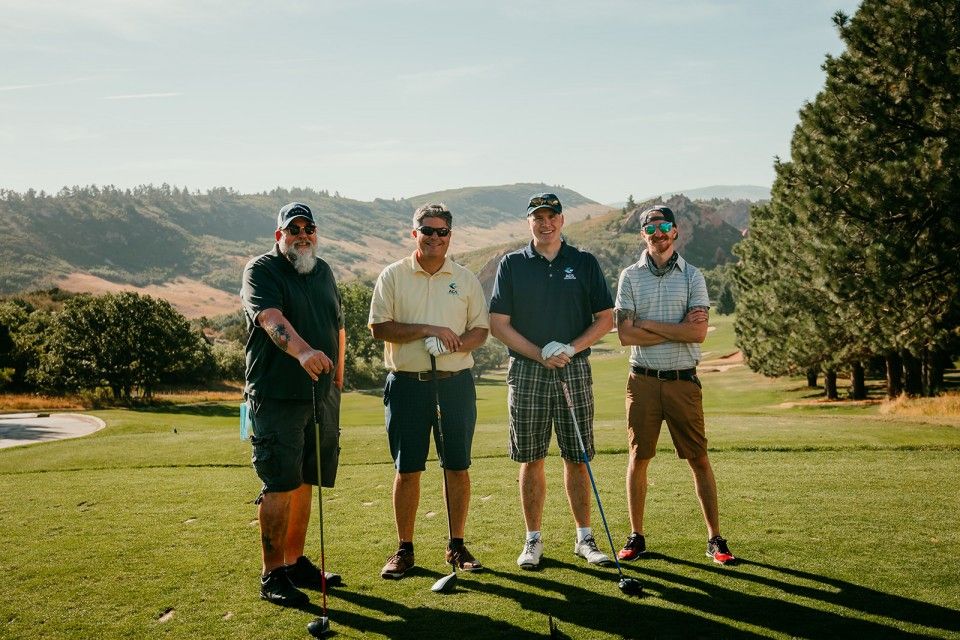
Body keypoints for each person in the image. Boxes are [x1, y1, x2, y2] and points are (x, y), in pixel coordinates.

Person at [488, 193, 615, 570]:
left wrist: (571, 349)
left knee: (577, 457)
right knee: (531, 458)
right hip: (527, 371)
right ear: (529, 222)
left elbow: (605, 318)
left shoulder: (584, 262)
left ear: (562, 220)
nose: (545, 223)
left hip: (573, 368)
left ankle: (584, 538)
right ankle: (532, 541)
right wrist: (539, 352)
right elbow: (499, 325)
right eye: (537, 217)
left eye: (551, 216)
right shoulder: (512, 264)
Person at [368, 203, 489, 579]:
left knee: (457, 466)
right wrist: (428, 330)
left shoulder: (465, 278)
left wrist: (454, 344)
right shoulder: (393, 275)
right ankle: (405, 549)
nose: (434, 237)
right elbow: (380, 328)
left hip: (455, 385)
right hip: (407, 385)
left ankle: (456, 544)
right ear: (414, 233)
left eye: (442, 231)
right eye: (427, 230)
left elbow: (480, 331)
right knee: (408, 469)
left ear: (450, 236)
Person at [614, 204, 735, 565]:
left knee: (698, 458)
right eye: (651, 228)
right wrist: (674, 329)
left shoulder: (693, 276)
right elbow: (624, 335)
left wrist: (646, 325)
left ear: (676, 230)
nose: (659, 233)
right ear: (643, 235)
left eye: (665, 226)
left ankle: (715, 539)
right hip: (643, 381)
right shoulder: (630, 276)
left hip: (683, 381)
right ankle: (637, 537)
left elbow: (697, 333)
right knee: (639, 458)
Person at [240, 202, 347, 606]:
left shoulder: (323, 270)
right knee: (280, 482)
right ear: (279, 235)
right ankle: (272, 574)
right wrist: (302, 353)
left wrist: (339, 376)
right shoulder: (261, 270)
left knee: (306, 478)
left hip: (322, 395)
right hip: (278, 393)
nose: (302, 234)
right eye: (294, 229)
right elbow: (269, 318)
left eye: (309, 228)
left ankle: (296, 561)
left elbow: (337, 324)